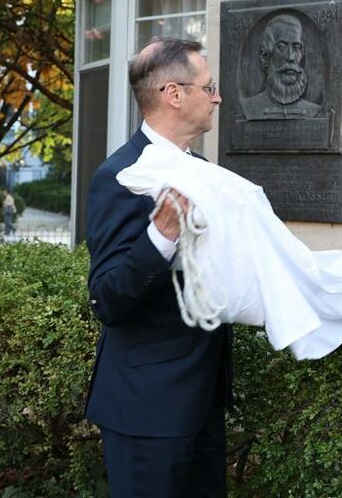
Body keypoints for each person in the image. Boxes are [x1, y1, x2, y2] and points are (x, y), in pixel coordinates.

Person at [84, 37, 232, 498]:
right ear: (174, 94)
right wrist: (160, 237)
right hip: (146, 412)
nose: (217, 97)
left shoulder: (202, 169)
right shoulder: (120, 176)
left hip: (204, 401)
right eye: (209, 87)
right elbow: (107, 297)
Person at [240, 14, 323, 119]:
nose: (290, 57)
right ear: (265, 56)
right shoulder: (249, 108)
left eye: (296, 47)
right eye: (282, 47)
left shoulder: (313, 111)